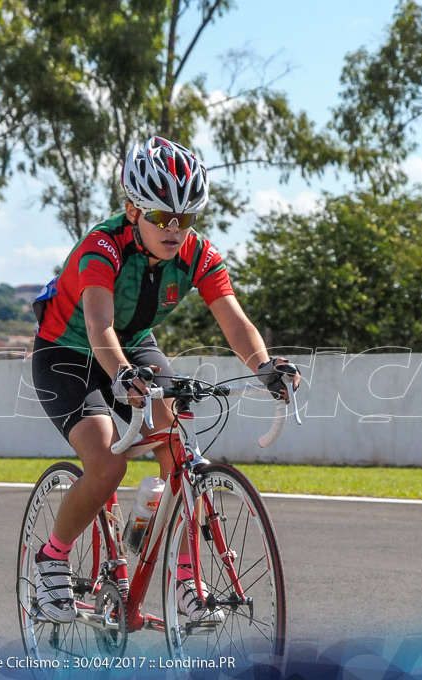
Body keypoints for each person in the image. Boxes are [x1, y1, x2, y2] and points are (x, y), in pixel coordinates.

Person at [29, 136, 299, 625]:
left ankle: (187, 584)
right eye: (161, 218)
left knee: (179, 450)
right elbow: (98, 327)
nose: (174, 229)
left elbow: (234, 321)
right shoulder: (102, 247)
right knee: (107, 464)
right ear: (133, 210)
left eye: (185, 219)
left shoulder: (197, 253)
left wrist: (263, 366)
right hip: (67, 351)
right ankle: (52, 557)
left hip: (133, 344)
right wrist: (124, 377)